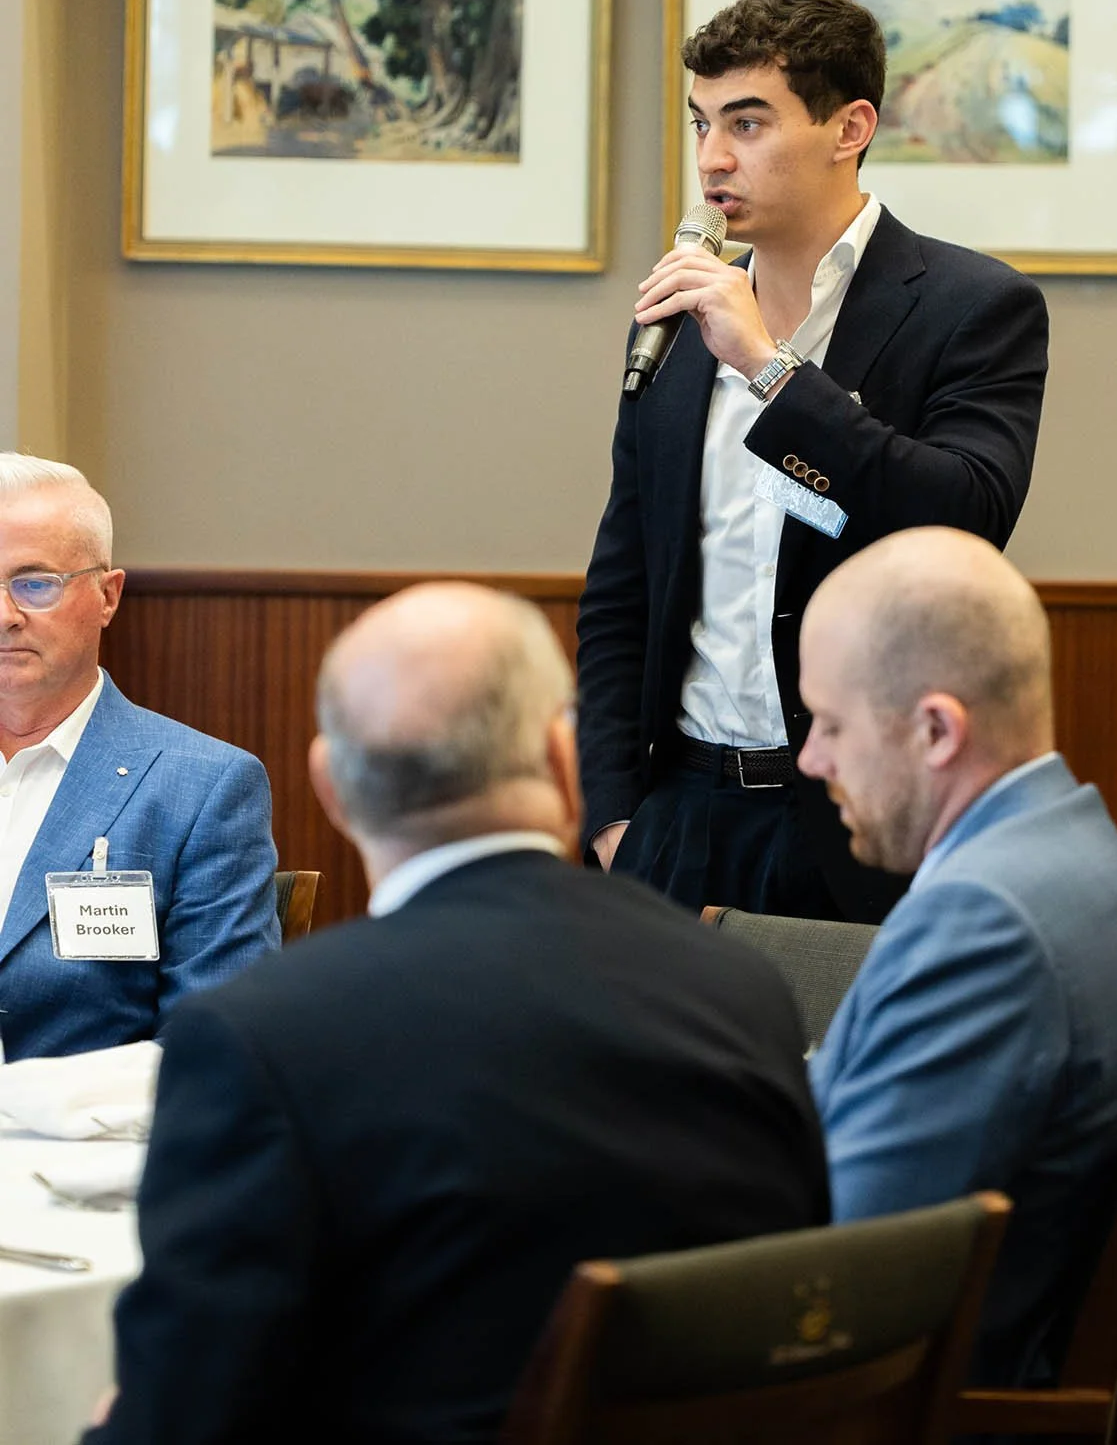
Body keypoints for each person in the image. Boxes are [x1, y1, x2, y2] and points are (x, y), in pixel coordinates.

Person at [85, 582, 827, 1445]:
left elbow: (184, 1416)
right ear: (561, 756)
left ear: (331, 787)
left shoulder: (265, 1036)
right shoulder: (741, 986)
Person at [578, 0, 1049, 921]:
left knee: (845, 1074)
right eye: (701, 123)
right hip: (675, 826)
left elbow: (961, 516)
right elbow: (621, 589)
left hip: (864, 822)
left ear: (850, 127)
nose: (712, 159)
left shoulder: (970, 308)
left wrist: (765, 365)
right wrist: (614, 818)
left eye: (747, 124)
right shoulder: (676, 327)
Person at [798, 526, 1117, 1387]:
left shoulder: (984, 923)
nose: (811, 759)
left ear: (935, 731)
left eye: (830, 724)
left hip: (906, 1403)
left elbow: (844, 1273)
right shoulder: (1086, 857)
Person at [0, 453, 278, 1060]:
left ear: (107, 595)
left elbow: (214, 1043)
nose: (5, 615)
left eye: (35, 584)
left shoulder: (202, 788)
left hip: (79, 1146)